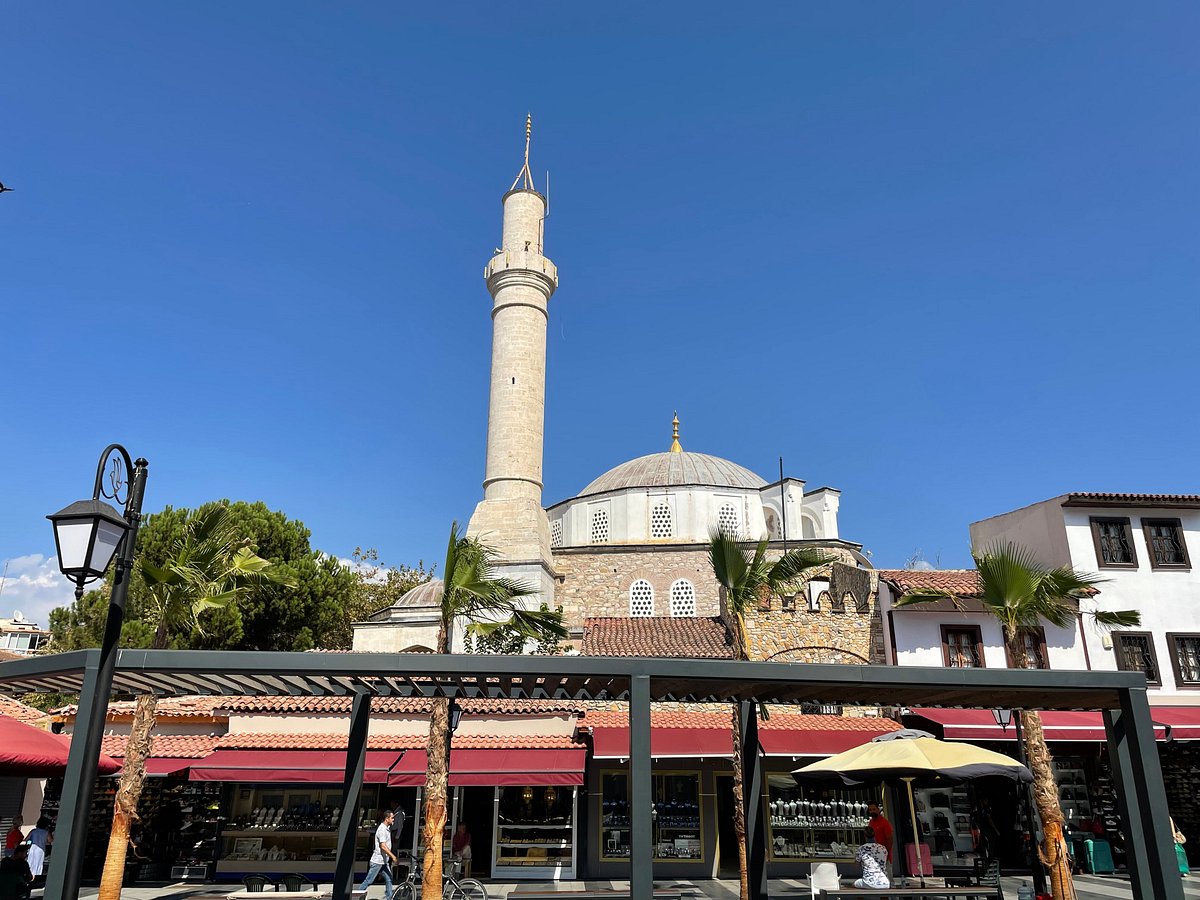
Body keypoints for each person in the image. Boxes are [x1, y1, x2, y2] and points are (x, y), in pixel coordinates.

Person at [359, 810, 397, 900]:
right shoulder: (382, 830)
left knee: (389, 878)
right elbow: (383, 846)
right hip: (378, 861)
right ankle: (356, 895)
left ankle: (389, 897)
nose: (393, 819)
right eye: (392, 818)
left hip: (383, 861)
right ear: (387, 819)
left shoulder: (387, 828)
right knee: (369, 880)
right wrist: (393, 856)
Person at [854, 825, 890, 889]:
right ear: (874, 835)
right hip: (885, 882)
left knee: (855, 884)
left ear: (864, 836)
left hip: (869, 882)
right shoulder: (883, 848)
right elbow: (885, 862)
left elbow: (856, 865)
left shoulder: (861, 848)